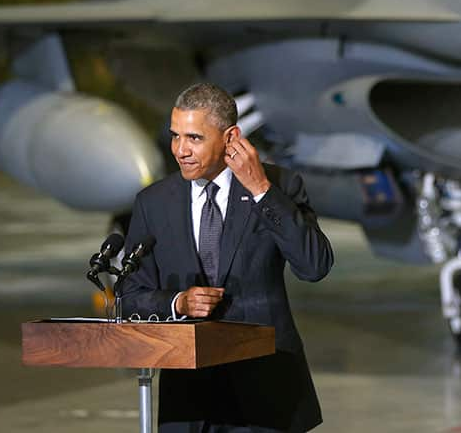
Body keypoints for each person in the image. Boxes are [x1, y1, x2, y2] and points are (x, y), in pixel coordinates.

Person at [121, 83, 334, 432]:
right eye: (175, 136)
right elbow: (129, 299)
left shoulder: (280, 186)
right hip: (189, 400)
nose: (180, 150)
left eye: (194, 138)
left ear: (230, 136)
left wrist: (261, 190)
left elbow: (315, 266)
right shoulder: (153, 203)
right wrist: (178, 302)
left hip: (266, 391)